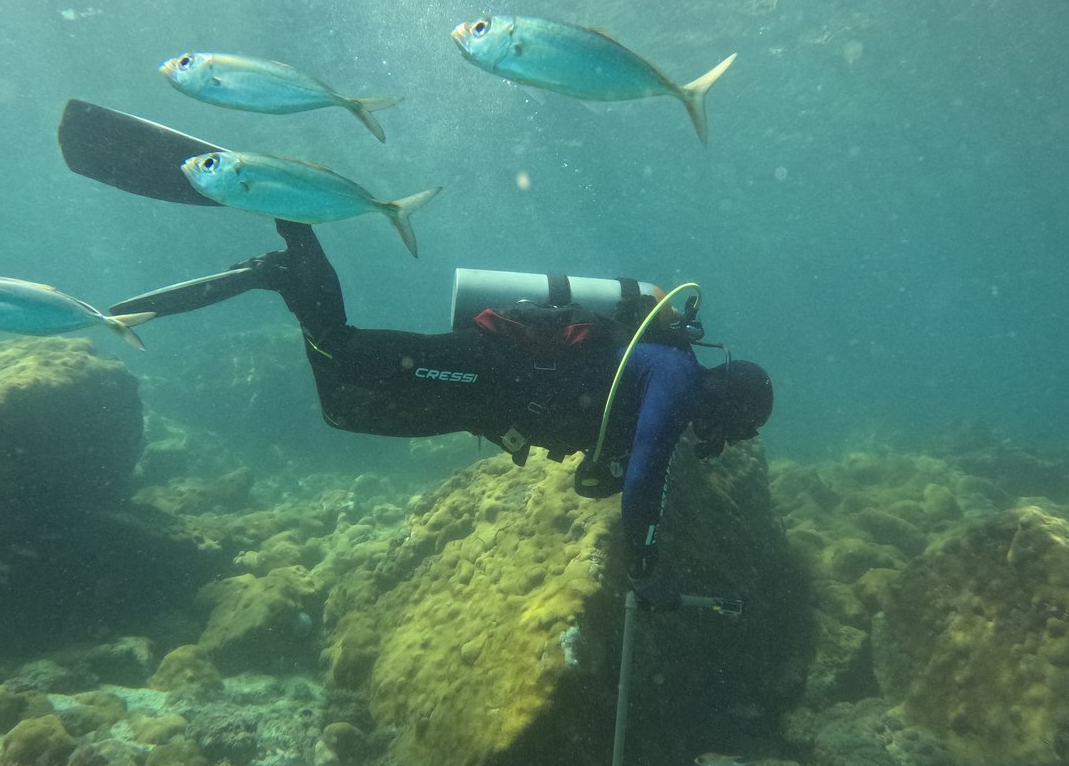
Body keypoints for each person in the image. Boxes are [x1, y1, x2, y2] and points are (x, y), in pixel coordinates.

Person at [111, 221, 773, 611]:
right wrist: (648, 572)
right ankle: (296, 247)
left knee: (345, 408)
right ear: (730, 400)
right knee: (346, 357)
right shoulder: (679, 376)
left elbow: (610, 466)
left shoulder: (672, 372)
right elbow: (644, 479)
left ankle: (290, 275)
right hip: (487, 371)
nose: (725, 440)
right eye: (737, 428)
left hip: (485, 404)